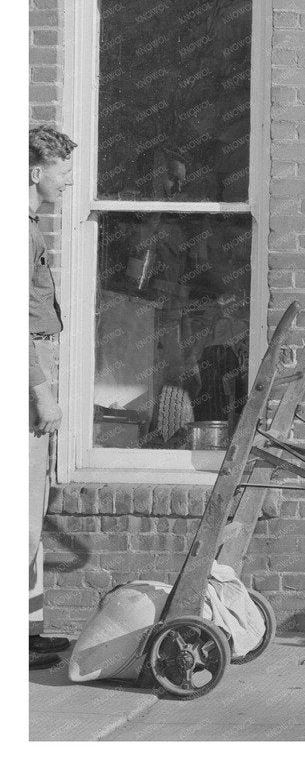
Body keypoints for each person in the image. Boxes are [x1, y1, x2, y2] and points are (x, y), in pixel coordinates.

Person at [29, 124, 76, 671]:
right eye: (62, 173)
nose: (66, 184)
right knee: (19, 515)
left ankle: (27, 629)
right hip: (26, 377)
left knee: (28, 513)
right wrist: (43, 394)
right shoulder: (18, 230)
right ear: (37, 171)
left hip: (36, 366)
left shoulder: (29, 224)